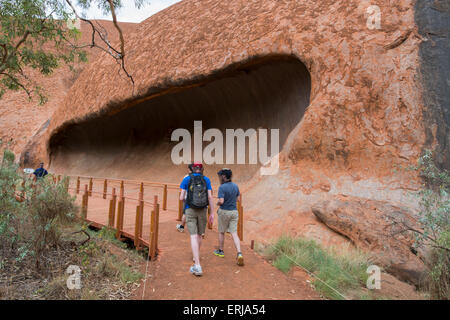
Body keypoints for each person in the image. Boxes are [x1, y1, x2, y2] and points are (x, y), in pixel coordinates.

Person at [179, 162, 214, 276]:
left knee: (193, 235)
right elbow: (210, 196)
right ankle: (196, 257)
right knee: (199, 235)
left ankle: (197, 265)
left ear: (193, 169)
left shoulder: (187, 179)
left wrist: (187, 202)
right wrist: (212, 212)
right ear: (202, 169)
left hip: (190, 209)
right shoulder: (206, 180)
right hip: (203, 210)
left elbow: (181, 197)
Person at [213, 168, 244, 266]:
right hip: (234, 212)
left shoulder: (222, 187)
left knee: (221, 232)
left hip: (224, 211)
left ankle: (221, 251)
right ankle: (239, 253)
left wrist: (217, 203)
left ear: (224, 176)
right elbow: (238, 199)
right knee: (234, 233)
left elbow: (221, 201)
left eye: (221, 175)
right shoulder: (235, 186)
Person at [176, 163, 193, 233]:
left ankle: (182, 227)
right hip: (198, 198)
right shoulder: (201, 177)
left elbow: (183, 188)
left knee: (185, 213)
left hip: (188, 198)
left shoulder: (186, 177)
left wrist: (182, 198)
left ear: (189, 169)